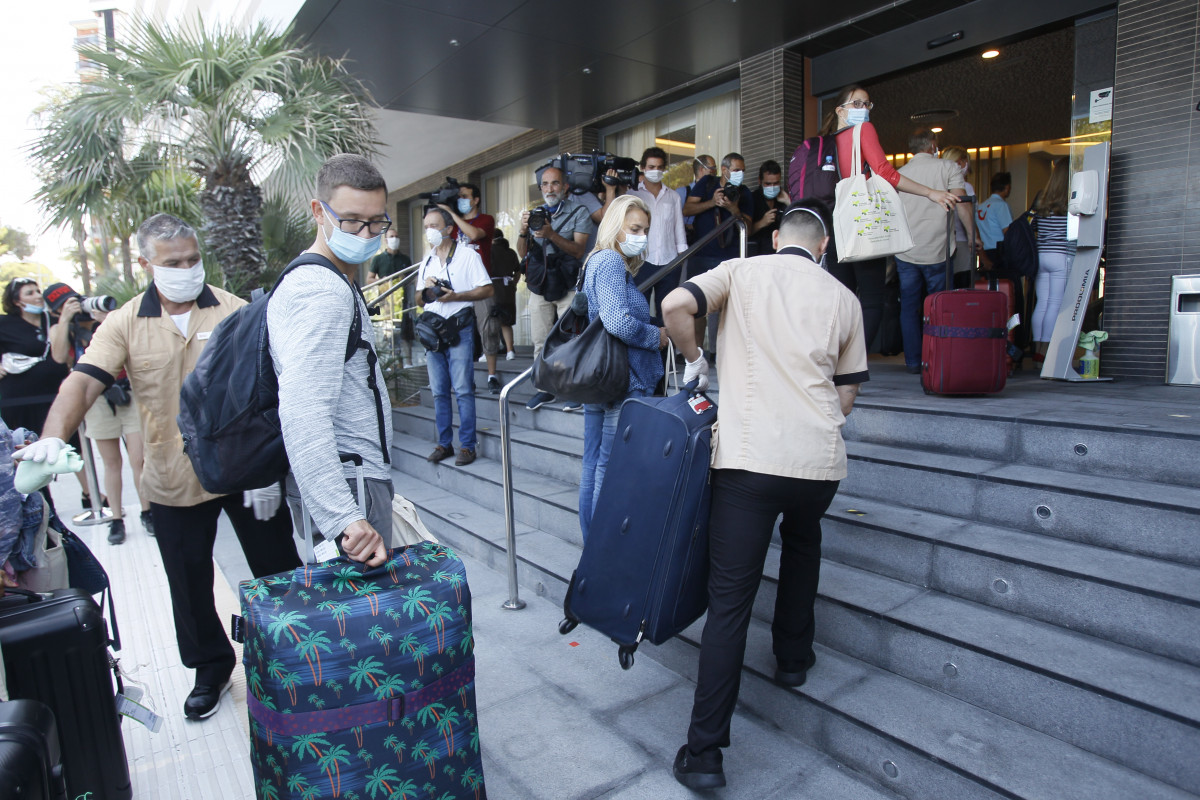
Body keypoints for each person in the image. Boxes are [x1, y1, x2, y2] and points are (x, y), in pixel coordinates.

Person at [16, 213, 301, 721]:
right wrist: (52, 437)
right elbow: (83, 381)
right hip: (172, 476)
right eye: (174, 263)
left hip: (245, 472)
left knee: (277, 569)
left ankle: (295, 658)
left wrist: (274, 468)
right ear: (147, 264)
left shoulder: (236, 310)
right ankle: (211, 669)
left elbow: (278, 385)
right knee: (188, 584)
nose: (187, 269)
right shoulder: (126, 321)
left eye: (193, 259)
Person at [661, 200, 868, 790]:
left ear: (776, 238)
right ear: (822, 247)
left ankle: (704, 754)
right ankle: (794, 660)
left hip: (749, 460)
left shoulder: (741, 270)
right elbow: (846, 399)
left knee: (731, 601)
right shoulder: (845, 299)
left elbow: (676, 304)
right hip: (818, 463)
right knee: (804, 545)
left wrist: (698, 359)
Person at [268, 154, 396, 563]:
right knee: (362, 620)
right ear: (318, 212)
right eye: (352, 220)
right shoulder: (322, 292)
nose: (365, 233)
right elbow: (303, 409)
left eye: (377, 222)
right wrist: (345, 516)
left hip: (352, 480)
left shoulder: (329, 279)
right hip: (349, 488)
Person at [817, 85, 959, 352]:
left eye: (867, 104)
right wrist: (931, 193)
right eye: (857, 104)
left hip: (836, 224)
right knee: (871, 301)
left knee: (842, 300)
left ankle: (833, 363)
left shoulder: (826, 141)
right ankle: (851, 367)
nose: (863, 109)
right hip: (865, 222)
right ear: (840, 110)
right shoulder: (864, 130)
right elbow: (885, 172)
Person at [577, 195, 666, 541]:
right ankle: (602, 547)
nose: (641, 235)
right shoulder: (611, 263)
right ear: (615, 227)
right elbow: (616, 322)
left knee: (593, 465)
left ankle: (591, 544)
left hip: (598, 377)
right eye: (634, 228)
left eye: (645, 229)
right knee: (610, 469)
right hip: (622, 379)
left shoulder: (594, 261)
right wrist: (655, 336)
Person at [0, 280, 91, 516]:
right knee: (29, 453)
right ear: (16, 301)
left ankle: (91, 496)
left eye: (38, 291)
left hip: (55, 396)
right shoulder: (5, 324)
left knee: (71, 446)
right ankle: (40, 506)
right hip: (18, 401)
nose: (38, 296)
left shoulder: (51, 319)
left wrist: (63, 320)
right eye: (30, 293)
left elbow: (60, 357)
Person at [416, 206, 493, 466]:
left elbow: (486, 289)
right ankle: (444, 443)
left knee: (462, 390)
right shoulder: (426, 260)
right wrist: (428, 292)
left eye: (434, 226)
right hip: (433, 332)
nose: (429, 231)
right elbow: (418, 299)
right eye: (426, 226)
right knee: (439, 391)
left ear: (449, 229)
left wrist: (456, 295)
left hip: (458, 328)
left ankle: (468, 446)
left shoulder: (468, 256)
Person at [517, 165, 595, 411]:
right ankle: (545, 389)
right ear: (541, 189)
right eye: (545, 185)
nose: (550, 189)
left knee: (571, 339)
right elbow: (522, 254)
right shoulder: (535, 215)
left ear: (565, 187)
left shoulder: (579, 211)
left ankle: (575, 389)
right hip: (540, 284)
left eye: (555, 184)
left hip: (567, 282)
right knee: (540, 340)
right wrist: (522, 231)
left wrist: (550, 234)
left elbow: (579, 250)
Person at [895, 129, 974, 374]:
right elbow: (961, 205)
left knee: (909, 307)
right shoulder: (948, 168)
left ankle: (913, 362)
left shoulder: (899, 174)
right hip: (939, 250)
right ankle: (938, 357)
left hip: (905, 251)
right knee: (939, 306)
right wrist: (973, 236)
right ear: (932, 145)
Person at [683, 152, 755, 359]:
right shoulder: (707, 183)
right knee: (697, 306)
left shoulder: (745, 193)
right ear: (724, 170)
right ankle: (696, 354)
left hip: (730, 258)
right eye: (736, 170)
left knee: (725, 309)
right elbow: (687, 209)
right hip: (701, 253)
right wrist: (712, 202)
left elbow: (748, 227)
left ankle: (719, 353)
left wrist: (733, 208)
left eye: (743, 170)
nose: (740, 174)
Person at [441, 183, 503, 390]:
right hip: (459, 286)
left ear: (475, 199)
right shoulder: (453, 226)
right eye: (458, 197)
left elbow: (475, 235)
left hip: (481, 283)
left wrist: (452, 213)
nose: (461, 201)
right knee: (462, 332)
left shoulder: (486, 220)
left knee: (488, 328)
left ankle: (492, 375)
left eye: (464, 196)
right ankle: (467, 378)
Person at [632, 146, 687, 322]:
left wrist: (681, 257)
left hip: (669, 261)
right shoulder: (632, 194)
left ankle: (667, 349)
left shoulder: (673, 196)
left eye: (659, 167)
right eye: (651, 167)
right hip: (641, 261)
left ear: (664, 169)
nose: (655, 171)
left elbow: (679, 229)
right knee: (640, 310)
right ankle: (643, 349)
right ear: (643, 168)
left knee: (668, 312)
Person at [1031, 158, 1075, 360]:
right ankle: (1048, 353)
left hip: (1042, 255)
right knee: (1056, 303)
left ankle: (1037, 349)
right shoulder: (1072, 200)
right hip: (1062, 255)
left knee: (1042, 303)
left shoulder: (1042, 199)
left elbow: (1033, 227)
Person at [940, 146, 979, 288]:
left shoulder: (939, 186)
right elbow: (967, 212)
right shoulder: (965, 186)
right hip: (962, 241)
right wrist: (974, 237)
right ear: (962, 163)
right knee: (962, 285)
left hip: (942, 242)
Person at [489, 230, 519, 366]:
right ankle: (510, 350)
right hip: (508, 288)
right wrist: (514, 283)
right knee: (506, 321)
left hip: (493, 287)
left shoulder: (489, 251)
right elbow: (518, 271)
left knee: (492, 320)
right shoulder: (511, 252)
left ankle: (489, 352)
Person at [749, 159, 790, 255]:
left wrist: (788, 201)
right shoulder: (751, 199)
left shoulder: (782, 200)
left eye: (775, 183)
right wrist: (762, 223)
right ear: (760, 181)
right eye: (768, 184)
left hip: (779, 254)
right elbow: (743, 232)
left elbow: (797, 223)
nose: (772, 187)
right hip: (756, 255)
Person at [977, 172, 1014, 267]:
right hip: (999, 252)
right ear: (1007, 187)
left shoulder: (981, 207)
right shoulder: (1001, 205)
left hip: (983, 253)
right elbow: (1008, 232)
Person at [677, 155, 716, 241]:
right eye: (712, 168)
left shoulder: (716, 191)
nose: (715, 172)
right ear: (702, 169)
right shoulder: (682, 192)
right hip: (689, 241)